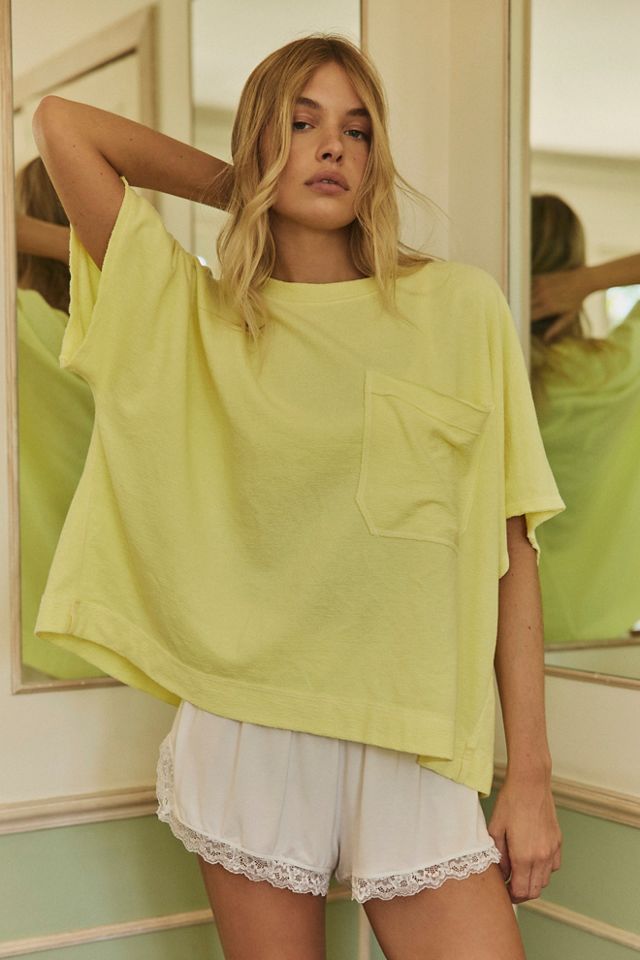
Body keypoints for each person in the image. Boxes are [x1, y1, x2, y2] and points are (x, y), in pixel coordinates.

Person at [33, 35, 565, 960]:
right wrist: (246, 183)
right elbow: (62, 126)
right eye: (301, 123)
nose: (332, 148)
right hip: (250, 726)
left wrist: (533, 776)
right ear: (259, 142)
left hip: (412, 734)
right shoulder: (195, 315)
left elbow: (510, 548)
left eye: (357, 131)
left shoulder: (459, 309)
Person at [530, 194, 640, 645]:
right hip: (601, 634)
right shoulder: (612, 371)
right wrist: (589, 281)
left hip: (500, 626)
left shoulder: (484, 369)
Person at [15, 157, 104, 681]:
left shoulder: (19, 330)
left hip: (36, 634)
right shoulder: (137, 333)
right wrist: (103, 243)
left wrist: (20, 231)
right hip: (128, 632)